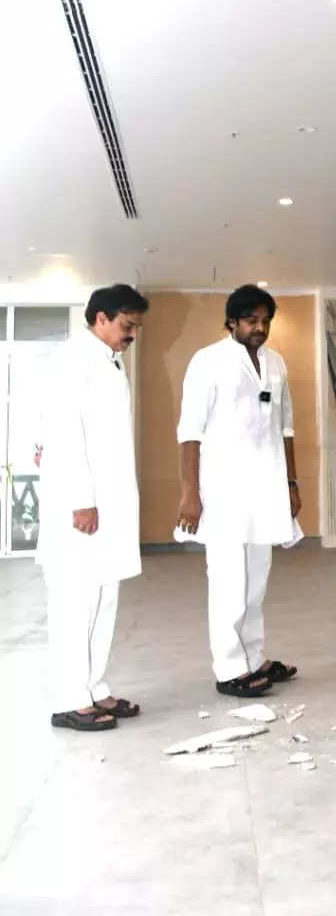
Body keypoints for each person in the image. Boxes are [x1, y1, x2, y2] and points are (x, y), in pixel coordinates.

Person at [176, 285, 301, 698]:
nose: (260, 328)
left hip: (266, 489)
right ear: (231, 321)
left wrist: (292, 484)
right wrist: (189, 493)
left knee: (256, 580)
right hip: (223, 490)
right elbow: (189, 432)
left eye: (265, 321)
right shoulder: (208, 361)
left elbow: (286, 428)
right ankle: (230, 669)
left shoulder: (276, 363)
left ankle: (253, 656)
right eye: (251, 320)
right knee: (228, 581)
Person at [36, 284, 150, 732]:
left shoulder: (107, 361)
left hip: (109, 506)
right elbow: (63, 434)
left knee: (103, 599)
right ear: (100, 318)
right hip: (81, 509)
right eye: (127, 325)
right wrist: (81, 500)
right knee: (75, 602)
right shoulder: (71, 359)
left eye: (135, 326)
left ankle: (93, 687)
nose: (132, 334)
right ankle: (70, 699)